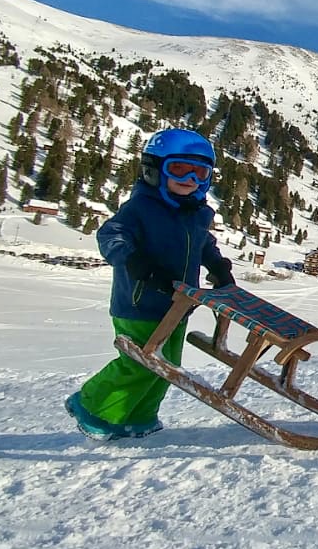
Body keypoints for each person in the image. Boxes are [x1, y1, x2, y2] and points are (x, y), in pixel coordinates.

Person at [65, 128, 234, 440]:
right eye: (180, 169)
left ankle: (139, 417)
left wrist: (219, 266)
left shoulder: (195, 214)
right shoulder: (140, 209)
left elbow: (204, 244)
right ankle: (92, 407)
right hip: (139, 303)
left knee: (165, 367)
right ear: (154, 170)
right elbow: (111, 235)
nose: (190, 180)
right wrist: (134, 261)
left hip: (180, 305)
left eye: (200, 173)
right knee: (140, 364)